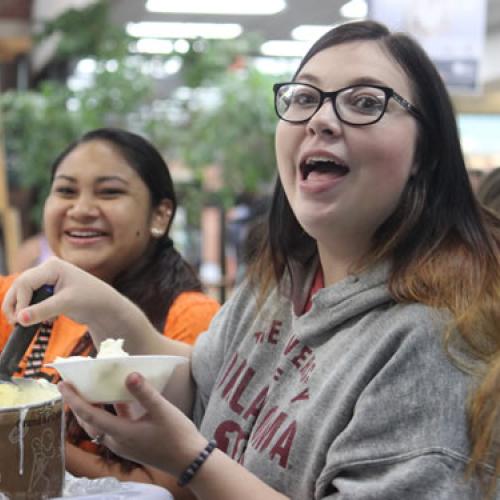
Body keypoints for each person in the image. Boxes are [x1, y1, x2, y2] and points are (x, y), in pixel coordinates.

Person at [3, 21, 500, 499]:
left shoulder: (441, 342)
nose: (320, 119)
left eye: (365, 102)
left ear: (425, 154)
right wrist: (103, 307)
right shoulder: (282, 284)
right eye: (304, 97)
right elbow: (201, 385)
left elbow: (189, 446)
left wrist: (189, 459)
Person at [0, 128, 220, 498]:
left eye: (109, 192)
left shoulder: (189, 318)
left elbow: (173, 487)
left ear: (160, 215)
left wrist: (18, 436)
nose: (81, 210)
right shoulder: (22, 296)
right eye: (66, 191)